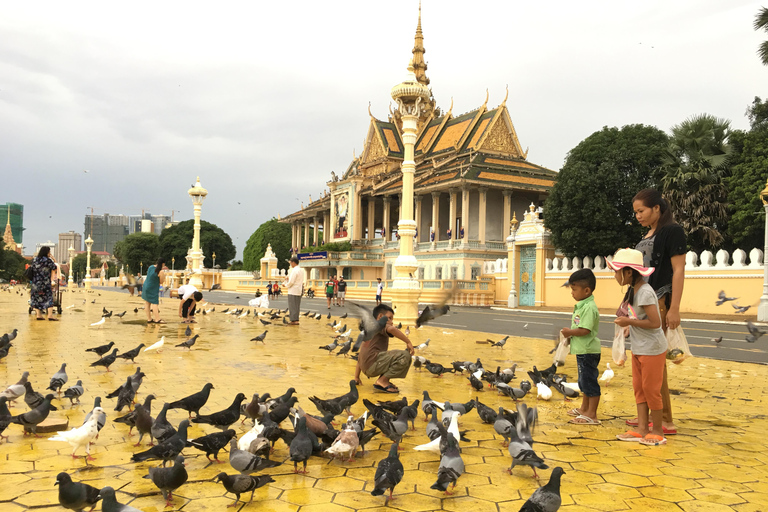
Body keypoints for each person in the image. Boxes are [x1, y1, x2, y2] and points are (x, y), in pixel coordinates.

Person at [630, 188, 686, 436]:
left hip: (660, 300)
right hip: (643, 301)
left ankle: (664, 418)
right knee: (645, 358)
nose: (638, 216)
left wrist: (674, 308)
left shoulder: (672, 231)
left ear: (657, 208)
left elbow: (678, 270)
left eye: (641, 211)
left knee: (655, 359)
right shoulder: (648, 234)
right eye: (636, 212)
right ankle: (650, 413)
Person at [609, 248, 668, 447]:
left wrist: (629, 323)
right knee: (639, 388)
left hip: (652, 349)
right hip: (640, 347)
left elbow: (655, 323)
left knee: (651, 390)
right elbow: (638, 317)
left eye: (617, 271)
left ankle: (658, 431)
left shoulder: (644, 292)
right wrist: (628, 327)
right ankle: (642, 429)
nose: (615, 275)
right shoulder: (633, 291)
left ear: (628, 272)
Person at [560, 268, 601, 425]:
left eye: (574, 289)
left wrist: (570, 332)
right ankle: (585, 408)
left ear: (586, 290)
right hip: (583, 350)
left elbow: (585, 330)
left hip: (589, 351)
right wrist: (571, 337)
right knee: (584, 381)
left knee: (590, 382)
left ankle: (592, 414)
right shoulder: (582, 306)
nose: (572, 293)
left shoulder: (589, 307)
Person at [354, 304, 415, 393]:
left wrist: (356, 377)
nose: (391, 322)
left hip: (366, 367)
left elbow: (361, 355)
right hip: (373, 365)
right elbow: (391, 329)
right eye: (389, 318)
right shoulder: (380, 324)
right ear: (381, 316)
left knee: (388, 356)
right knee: (404, 355)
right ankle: (382, 381)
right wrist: (408, 342)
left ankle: (383, 380)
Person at [29, 246, 58, 321]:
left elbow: (31, 269)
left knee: (36, 298)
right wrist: (53, 259)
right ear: (47, 252)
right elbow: (54, 267)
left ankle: (39, 315)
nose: (50, 253)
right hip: (45, 283)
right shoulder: (48, 260)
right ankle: (50, 315)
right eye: (49, 252)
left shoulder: (35, 260)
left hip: (35, 283)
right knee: (49, 298)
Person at [143, 258, 165, 324]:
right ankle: (157, 319)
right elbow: (161, 282)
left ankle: (149, 319)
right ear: (163, 264)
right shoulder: (161, 271)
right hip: (153, 288)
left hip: (146, 286)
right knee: (154, 303)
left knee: (147, 302)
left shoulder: (151, 267)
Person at [284, 255, 304, 325]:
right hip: (298, 290)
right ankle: (296, 319)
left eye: (290, 263)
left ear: (293, 262)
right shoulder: (301, 270)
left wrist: (285, 285)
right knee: (296, 306)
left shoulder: (295, 270)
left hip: (293, 291)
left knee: (292, 306)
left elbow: (291, 282)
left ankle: (293, 320)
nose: (290, 264)